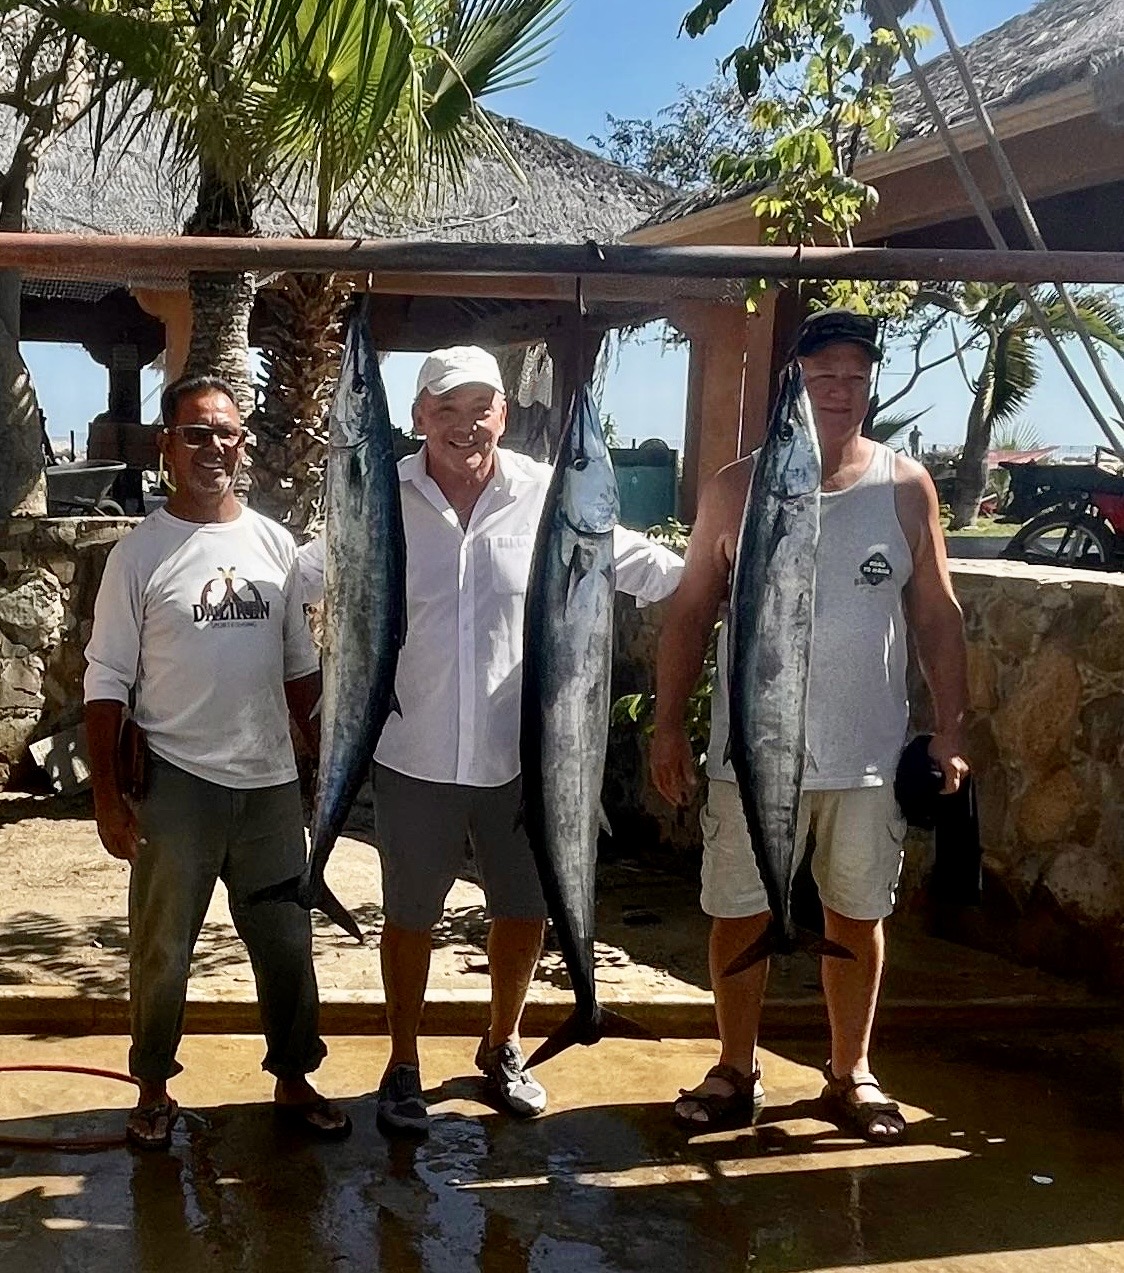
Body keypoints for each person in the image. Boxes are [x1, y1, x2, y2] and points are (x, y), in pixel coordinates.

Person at [299, 345, 683, 1136]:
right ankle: (402, 1061)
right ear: (417, 417)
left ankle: (501, 1042)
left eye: (481, 408)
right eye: (446, 408)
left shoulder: (548, 495)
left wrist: (730, 564)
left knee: (523, 907)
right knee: (409, 914)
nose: (464, 425)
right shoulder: (380, 494)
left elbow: (651, 568)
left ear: (504, 414)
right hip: (414, 753)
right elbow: (300, 573)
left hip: (523, 759)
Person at [650, 309, 969, 1143]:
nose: (839, 387)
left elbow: (937, 614)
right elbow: (690, 613)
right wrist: (668, 725)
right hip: (749, 758)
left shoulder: (906, 486)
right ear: (795, 379)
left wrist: (951, 728)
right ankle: (735, 1065)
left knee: (857, 915)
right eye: (823, 372)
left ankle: (850, 1070)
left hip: (865, 760)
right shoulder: (735, 487)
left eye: (854, 374)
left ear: (870, 384)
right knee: (738, 911)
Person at [85, 373, 350, 1150]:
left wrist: (324, 760)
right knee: (162, 948)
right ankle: (153, 1086)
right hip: (178, 784)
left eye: (226, 433)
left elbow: (300, 665)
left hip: (269, 786)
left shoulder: (274, 545)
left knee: (287, 943)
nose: (213, 447)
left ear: (244, 444)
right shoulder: (138, 554)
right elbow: (105, 681)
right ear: (166, 445)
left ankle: (294, 1077)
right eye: (195, 433)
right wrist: (107, 796)